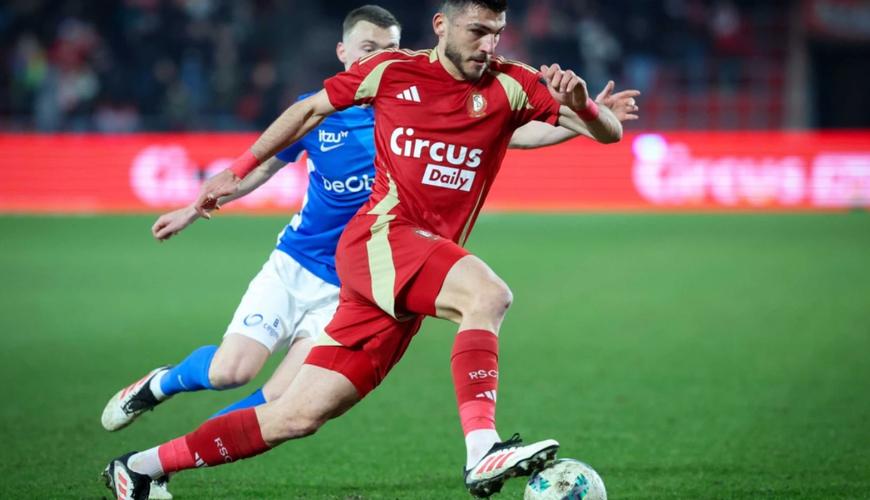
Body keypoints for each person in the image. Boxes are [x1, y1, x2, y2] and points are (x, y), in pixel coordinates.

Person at [103, 1, 628, 498]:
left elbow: (606, 134)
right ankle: (482, 449)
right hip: (382, 236)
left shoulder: (513, 84)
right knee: (488, 295)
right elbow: (307, 110)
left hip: (404, 269)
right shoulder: (392, 74)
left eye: (496, 33)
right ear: (441, 25)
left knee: (295, 414)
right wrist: (236, 171)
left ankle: (139, 468)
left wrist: (582, 104)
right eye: (477, 31)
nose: (488, 44)